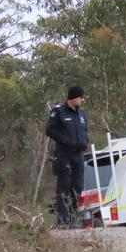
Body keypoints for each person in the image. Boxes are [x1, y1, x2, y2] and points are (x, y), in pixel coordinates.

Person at [45, 85, 89, 228]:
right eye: (81, 97)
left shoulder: (82, 114)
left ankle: (72, 220)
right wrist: (64, 140)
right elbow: (50, 130)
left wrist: (85, 141)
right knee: (64, 187)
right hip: (64, 155)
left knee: (77, 187)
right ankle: (62, 221)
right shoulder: (59, 111)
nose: (83, 100)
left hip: (79, 156)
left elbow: (85, 131)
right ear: (74, 97)